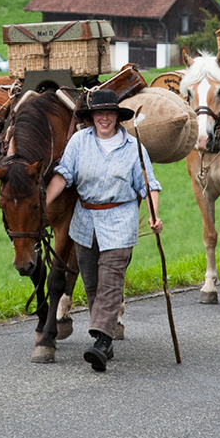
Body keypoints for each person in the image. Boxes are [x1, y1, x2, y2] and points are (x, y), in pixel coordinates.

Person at [43, 87, 162, 371]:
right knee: (93, 283)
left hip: (120, 220)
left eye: (109, 113)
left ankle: (99, 341)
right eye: (99, 113)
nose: (104, 119)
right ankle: (106, 339)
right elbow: (64, 175)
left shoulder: (134, 147)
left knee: (110, 281)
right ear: (92, 116)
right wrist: (43, 202)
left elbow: (149, 185)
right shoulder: (78, 142)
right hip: (85, 222)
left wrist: (154, 215)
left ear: (117, 117)